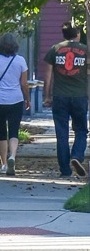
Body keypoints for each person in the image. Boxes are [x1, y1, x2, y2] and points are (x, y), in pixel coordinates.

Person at [44, 19, 89, 183]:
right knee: (81, 130)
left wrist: (47, 97)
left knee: (61, 133)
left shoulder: (54, 50)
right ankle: (76, 155)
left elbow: (48, 76)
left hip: (60, 96)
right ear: (77, 34)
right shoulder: (86, 51)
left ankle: (65, 169)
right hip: (79, 96)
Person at [0, 32, 30, 176]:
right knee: (14, 131)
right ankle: (12, 156)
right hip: (16, 99)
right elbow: (24, 83)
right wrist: (27, 99)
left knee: (1, 132)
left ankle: (3, 164)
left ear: (0, 46)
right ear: (15, 46)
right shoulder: (20, 61)